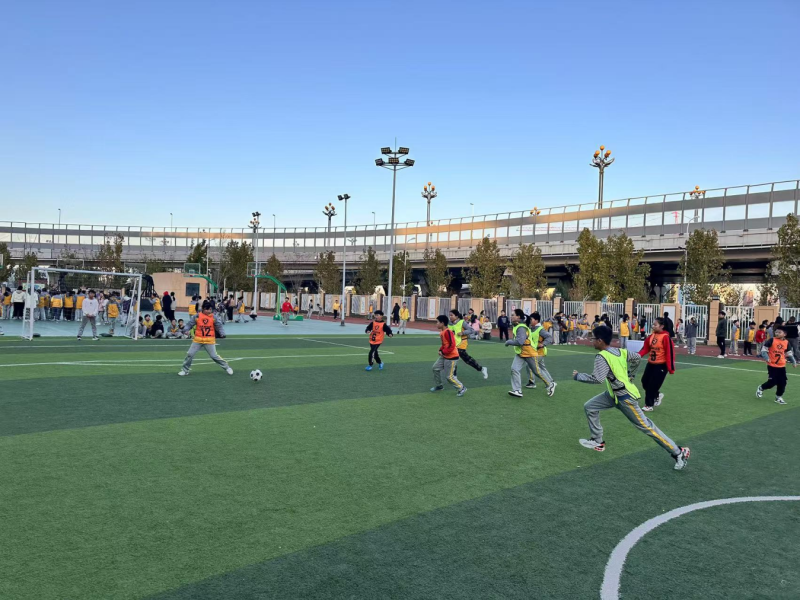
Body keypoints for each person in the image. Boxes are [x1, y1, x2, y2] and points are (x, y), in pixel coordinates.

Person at [573, 325, 691, 470]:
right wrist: (631, 374)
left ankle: (678, 452)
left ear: (600, 340)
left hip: (625, 398)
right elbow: (637, 358)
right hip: (613, 395)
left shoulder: (601, 357)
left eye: (593, 339)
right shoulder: (620, 351)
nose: (592, 341)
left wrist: (578, 376)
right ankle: (597, 440)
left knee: (647, 427)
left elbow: (597, 379)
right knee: (590, 407)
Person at [506, 309, 556, 397]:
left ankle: (550, 384)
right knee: (514, 369)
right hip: (521, 352)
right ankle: (517, 390)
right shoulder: (519, 326)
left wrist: (508, 342)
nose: (511, 316)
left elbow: (520, 341)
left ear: (518, 317)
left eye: (513, 315)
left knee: (537, 371)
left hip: (530, 352)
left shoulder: (521, 327)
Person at [178, 301, 233, 376]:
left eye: (210, 309)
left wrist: (222, 333)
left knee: (214, 356)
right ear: (203, 309)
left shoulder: (213, 317)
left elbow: (219, 326)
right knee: (190, 354)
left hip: (209, 340)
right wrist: (185, 330)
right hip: (198, 339)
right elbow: (190, 324)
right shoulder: (197, 316)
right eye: (207, 309)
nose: (209, 311)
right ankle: (185, 370)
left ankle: (227, 367)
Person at [638, 317, 675, 412]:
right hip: (651, 363)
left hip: (661, 365)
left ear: (662, 326)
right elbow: (645, 348)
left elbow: (669, 353)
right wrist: (637, 355)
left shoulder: (666, 337)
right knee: (644, 382)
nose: (653, 326)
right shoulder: (652, 336)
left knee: (652, 385)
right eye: (653, 324)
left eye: (655, 325)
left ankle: (649, 405)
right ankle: (657, 395)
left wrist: (670, 368)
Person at [757, 327, 797, 404]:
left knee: (782, 383)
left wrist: (793, 362)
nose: (777, 333)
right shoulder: (771, 340)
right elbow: (764, 350)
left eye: (779, 332)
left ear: (784, 334)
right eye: (776, 332)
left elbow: (789, 353)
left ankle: (778, 397)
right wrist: (767, 358)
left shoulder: (786, 342)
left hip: (782, 366)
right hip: (772, 365)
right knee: (772, 382)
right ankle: (761, 388)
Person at [431, 315, 467, 396]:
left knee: (449, 377)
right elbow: (445, 344)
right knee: (435, 368)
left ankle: (461, 388)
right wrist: (441, 350)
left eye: (437, 322)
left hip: (452, 357)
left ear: (442, 323)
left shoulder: (448, 332)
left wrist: (443, 352)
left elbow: (452, 345)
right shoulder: (442, 332)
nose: (436, 324)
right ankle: (439, 386)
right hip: (445, 356)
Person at [449, 310, 489, 380]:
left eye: (452, 315)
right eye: (449, 315)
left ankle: (482, 369)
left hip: (462, 344)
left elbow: (471, 330)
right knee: (453, 359)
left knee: (466, 359)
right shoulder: (450, 324)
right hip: (453, 344)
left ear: (456, 316)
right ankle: (454, 375)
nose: (450, 317)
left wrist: (463, 333)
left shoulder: (462, 322)